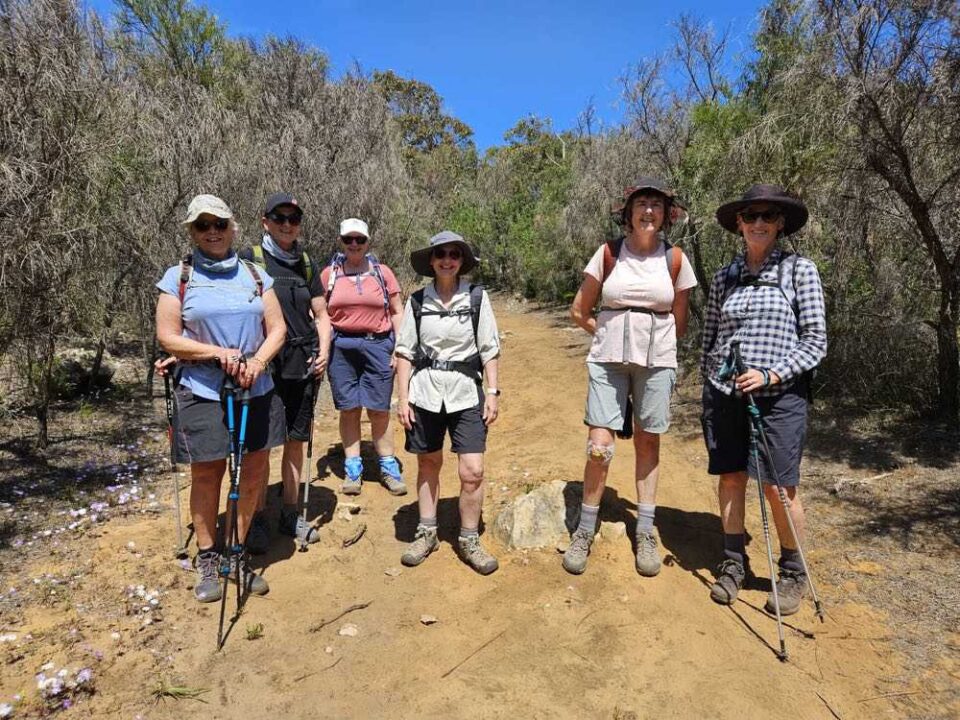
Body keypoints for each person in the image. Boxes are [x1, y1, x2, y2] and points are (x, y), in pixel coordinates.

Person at [701, 184, 826, 615]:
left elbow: (815, 341)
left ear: (780, 225)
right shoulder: (724, 277)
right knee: (731, 477)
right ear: (739, 223)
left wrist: (771, 373)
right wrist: (711, 381)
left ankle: (793, 572)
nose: (758, 224)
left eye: (767, 217)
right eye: (750, 216)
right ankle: (733, 563)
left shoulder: (799, 272)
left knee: (778, 487)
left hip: (780, 397)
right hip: (726, 396)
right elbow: (711, 336)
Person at [155, 194, 287, 603]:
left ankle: (238, 549)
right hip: (202, 388)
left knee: (253, 470)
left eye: (219, 224)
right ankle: (208, 555)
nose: (212, 232)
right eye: (202, 226)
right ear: (192, 232)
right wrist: (217, 354)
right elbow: (168, 336)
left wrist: (259, 362)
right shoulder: (178, 276)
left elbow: (277, 329)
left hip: (255, 388)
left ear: (232, 228)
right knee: (208, 473)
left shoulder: (255, 274)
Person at [565, 177, 698, 576]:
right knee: (599, 445)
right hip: (608, 360)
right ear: (628, 213)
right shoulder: (608, 254)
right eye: (641, 203)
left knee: (648, 440)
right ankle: (585, 528)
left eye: (656, 204)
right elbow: (579, 310)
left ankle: (644, 529)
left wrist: (653, 345)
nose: (649, 211)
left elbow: (680, 320)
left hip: (656, 360)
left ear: (666, 215)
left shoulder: (675, 260)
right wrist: (607, 334)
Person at [394, 231, 501, 575]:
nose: (447, 259)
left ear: (461, 261)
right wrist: (402, 398)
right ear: (431, 260)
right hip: (424, 392)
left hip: (467, 392)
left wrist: (494, 392)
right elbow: (405, 352)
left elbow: (489, 349)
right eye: (440, 253)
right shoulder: (416, 301)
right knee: (428, 463)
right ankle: (427, 531)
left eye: (454, 254)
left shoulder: (476, 298)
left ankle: (469, 538)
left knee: (473, 471)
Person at [239, 193, 326, 553]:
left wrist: (324, 351)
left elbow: (322, 315)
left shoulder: (306, 263)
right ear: (265, 222)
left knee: (295, 440)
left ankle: (289, 513)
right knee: (260, 446)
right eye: (280, 218)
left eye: (293, 218)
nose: (287, 224)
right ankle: (257, 518)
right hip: (264, 366)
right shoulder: (249, 260)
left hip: (302, 364)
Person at [314, 218, 405, 496]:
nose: (354, 244)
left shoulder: (382, 272)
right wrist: (323, 348)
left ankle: (387, 465)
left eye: (359, 240)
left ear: (367, 242)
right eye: (348, 239)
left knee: (379, 407)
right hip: (342, 347)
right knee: (349, 408)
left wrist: (399, 347)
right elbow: (321, 314)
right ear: (341, 241)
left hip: (378, 344)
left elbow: (397, 311)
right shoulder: (329, 274)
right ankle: (353, 465)